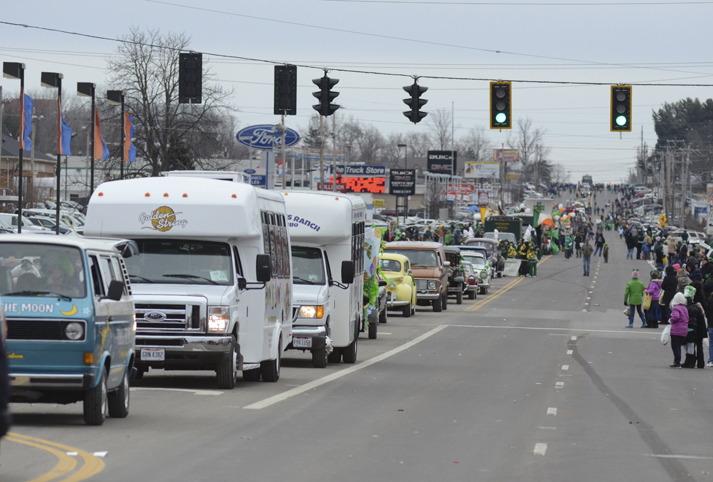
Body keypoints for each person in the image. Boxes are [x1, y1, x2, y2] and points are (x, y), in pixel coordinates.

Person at [669, 292, 689, 368]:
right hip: (684, 330)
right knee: (678, 346)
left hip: (676, 330)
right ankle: (677, 361)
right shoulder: (685, 308)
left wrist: (671, 320)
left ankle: (677, 362)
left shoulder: (676, 308)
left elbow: (676, 317)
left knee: (675, 347)